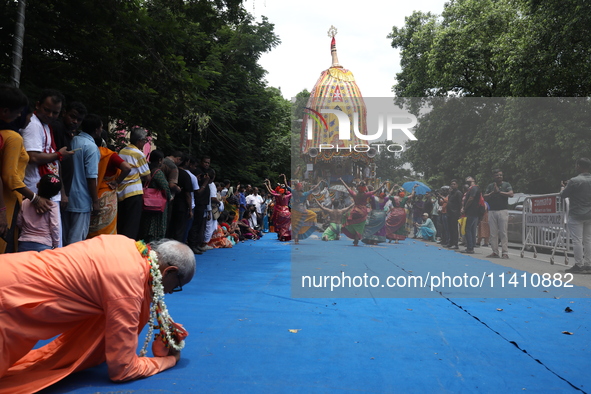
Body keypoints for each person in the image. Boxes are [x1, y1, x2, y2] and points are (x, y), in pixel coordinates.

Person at [0, 236, 195, 393]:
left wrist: (164, 324)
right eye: (176, 287)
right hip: (8, 303)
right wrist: (168, 360)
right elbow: (123, 369)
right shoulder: (129, 287)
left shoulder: (125, 244)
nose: (169, 293)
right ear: (169, 272)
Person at [0, 85, 53, 253]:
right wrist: (34, 197)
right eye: (23, 114)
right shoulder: (13, 138)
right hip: (6, 200)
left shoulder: (4, 134)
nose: (29, 120)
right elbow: (8, 176)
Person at [63, 114, 101, 245]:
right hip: (82, 199)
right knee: (76, 240)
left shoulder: (71, 141)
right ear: (96, 130)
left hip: (65, 195)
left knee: (63, 237)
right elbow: (91, 177)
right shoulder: (91, 147)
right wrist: (95, 201)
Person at [87, 131, 132, 238]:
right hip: (106, 196)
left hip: (89, 193)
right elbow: (127, 168)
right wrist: (117, 182)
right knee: (106, 233)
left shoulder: (87, 152)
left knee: (90, 231)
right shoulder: (109, 155)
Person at [117, 127, 151, 240]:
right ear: (139, 141)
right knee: (132, 223)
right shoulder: (138, 154)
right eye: (145, 141)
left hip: (121, 191)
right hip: (134, 192)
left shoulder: (122, 151)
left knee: (122, 221)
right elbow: (147, 176)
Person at [16, 174, 62, 252]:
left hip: (24, 243)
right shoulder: (52, 206)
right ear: (56, 193)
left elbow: (19, 221)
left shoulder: (25, 202)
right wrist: (56, 244)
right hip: (44, 245)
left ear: (37, 185)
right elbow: (55, 226)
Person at [561, 158, 591, 274]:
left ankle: (579, 264)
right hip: (589, 214)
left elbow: (564, 195)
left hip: (576, 214)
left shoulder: (574, 180)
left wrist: (563, 187)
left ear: (579, 166)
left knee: (577, 240)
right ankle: (588, 264)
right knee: (588, 240)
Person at [139, 150, 172, 243]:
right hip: (157, 205)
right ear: (160, 160)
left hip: (146, 202)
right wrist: (169, 197)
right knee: (156, 227)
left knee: (146, 226)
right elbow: (165, 186)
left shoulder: (146, 170)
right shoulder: (158, 172)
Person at [339, 178, 382, 246]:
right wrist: (383, 185)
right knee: (360, 227)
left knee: (347, 218)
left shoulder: (354, 194)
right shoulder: (365, 195)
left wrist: (342, 181)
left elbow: (348, 188)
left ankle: (349, 233)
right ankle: (356, 240)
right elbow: (375, 191)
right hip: (362, 212)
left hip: (354, 211)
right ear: (364, 188)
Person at [484, 169, 514, 258]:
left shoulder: (506, 185)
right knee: (493, 233)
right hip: (492, 211)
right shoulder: (490, 186)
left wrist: (499, 192)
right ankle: (495, 251)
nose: (499, 176)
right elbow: (484, 196)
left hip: (502, 211)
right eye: (497, 175)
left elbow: (511, 194)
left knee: (503, 232)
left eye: (501, 175)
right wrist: (493, 192)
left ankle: (505, 252)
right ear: (493, 176)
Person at [291, 177, 322, 244]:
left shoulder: (293, 192)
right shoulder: (305, 194)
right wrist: (319, 183)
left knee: (295, 225)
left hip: (294, 210)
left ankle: (296, 239)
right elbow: (313, 189)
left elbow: (287, 187)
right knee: (313, 215)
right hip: (302, 210)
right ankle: (307, 224)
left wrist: (284, 179)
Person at [460, 176, 481, 254]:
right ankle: (471, 246)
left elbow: (471, 198)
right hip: (472, 212)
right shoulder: (471, 189)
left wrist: (465, 208)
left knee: (468, 229)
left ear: (473, 179)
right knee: (470, 229)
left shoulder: (474, 188)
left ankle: (470, 248)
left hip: (472, 211)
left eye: (469, 177)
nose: (467, 178)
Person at [446, 179, 463, 250]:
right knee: (450, 228)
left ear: (457, 185)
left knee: (454, 228)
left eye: (454, 184)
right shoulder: (451, 193)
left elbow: (460, 203)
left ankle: (455, 243)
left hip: (455, 213)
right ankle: (451, 242)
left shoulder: (458, 193)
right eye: (451, 184)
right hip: (449, 212)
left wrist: (460, 211)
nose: (452, 185)